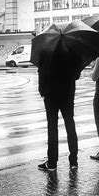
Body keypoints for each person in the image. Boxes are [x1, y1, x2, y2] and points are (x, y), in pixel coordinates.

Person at [37, 44, 81, 172]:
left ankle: (52, 163)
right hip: (67, 94)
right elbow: (77, 75)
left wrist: (42, 92)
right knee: (70, 125)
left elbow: (41, 72)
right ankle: (73, 161)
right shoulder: (72, 52)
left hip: (51, 95)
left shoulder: (45, 50)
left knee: (52, 128)